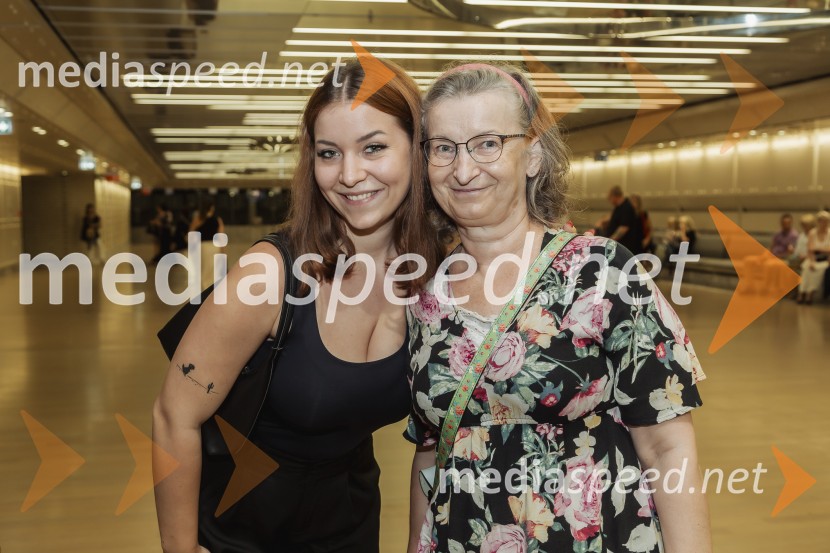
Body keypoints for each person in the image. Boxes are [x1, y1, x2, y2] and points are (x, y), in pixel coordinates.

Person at [406, 63, 711, 553]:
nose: (463, 170)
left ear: (533, 155)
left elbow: (667, 448)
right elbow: (430, 454)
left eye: (488, 143)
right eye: (444, 148)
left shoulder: (605, 274)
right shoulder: (425, 295)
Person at [152, 58, 443, 553]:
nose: (350, 175)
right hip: (242, 527)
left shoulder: (436, 279)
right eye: (330, 153)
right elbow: (173, 415)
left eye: (373, 147)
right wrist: (180, 548)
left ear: (417, 150)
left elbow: (435, 436)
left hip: (349, 523)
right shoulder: (269, 275)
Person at [796, 210, 830, 305]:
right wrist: (812, 261)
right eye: (822, 221)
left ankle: (810, 294)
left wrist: (819, 248)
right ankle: (802, 292)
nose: (824, 223)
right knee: (807, 268)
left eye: (826, 221)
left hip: (825, 260)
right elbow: (810, 249)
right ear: (818, 222)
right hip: (813, 258)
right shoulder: (812, 233)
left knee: (818, 270)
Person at [189, 201, 226, 287]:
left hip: (201, 247)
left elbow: (191, 234)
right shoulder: (217, 220)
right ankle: (211, 292)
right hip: (214, 247)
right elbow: (221, 236)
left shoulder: (198, 219)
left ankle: (203, 291)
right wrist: (223, 250)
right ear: (212, 208)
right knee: (213, 271)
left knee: (202, 271)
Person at [603, 185, 644, 254]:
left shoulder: (626, 207)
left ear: (615, 196)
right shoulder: (618, 208)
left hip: (625, 247)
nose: (609, 200)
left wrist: (610, 241)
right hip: (619, 245)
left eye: (610, 197)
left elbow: (623, 228)